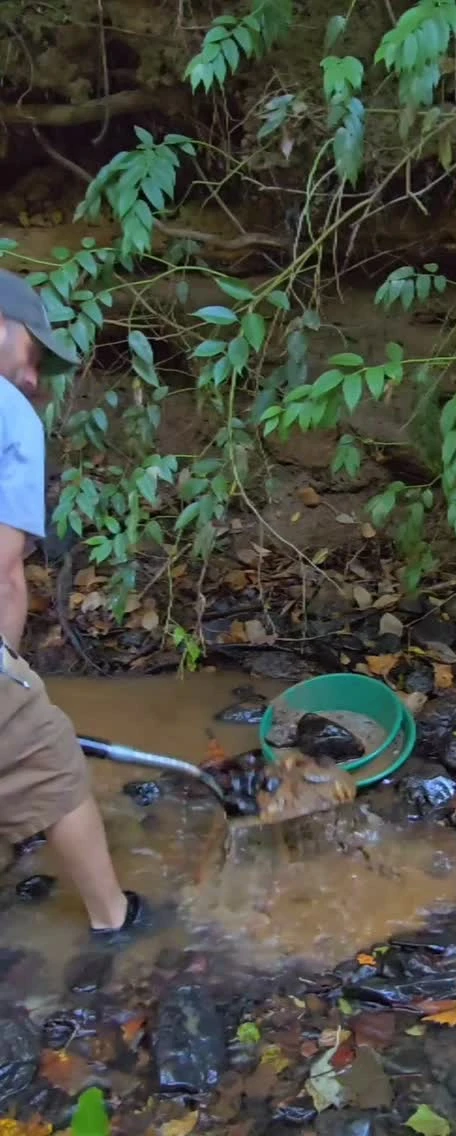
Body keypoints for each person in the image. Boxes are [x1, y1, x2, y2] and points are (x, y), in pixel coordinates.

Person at [0, 267, 144, 940]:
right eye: (33, 355)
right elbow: (1, 568)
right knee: (49, 757)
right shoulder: (7, 413)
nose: (35, 380)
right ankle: (116, 921)